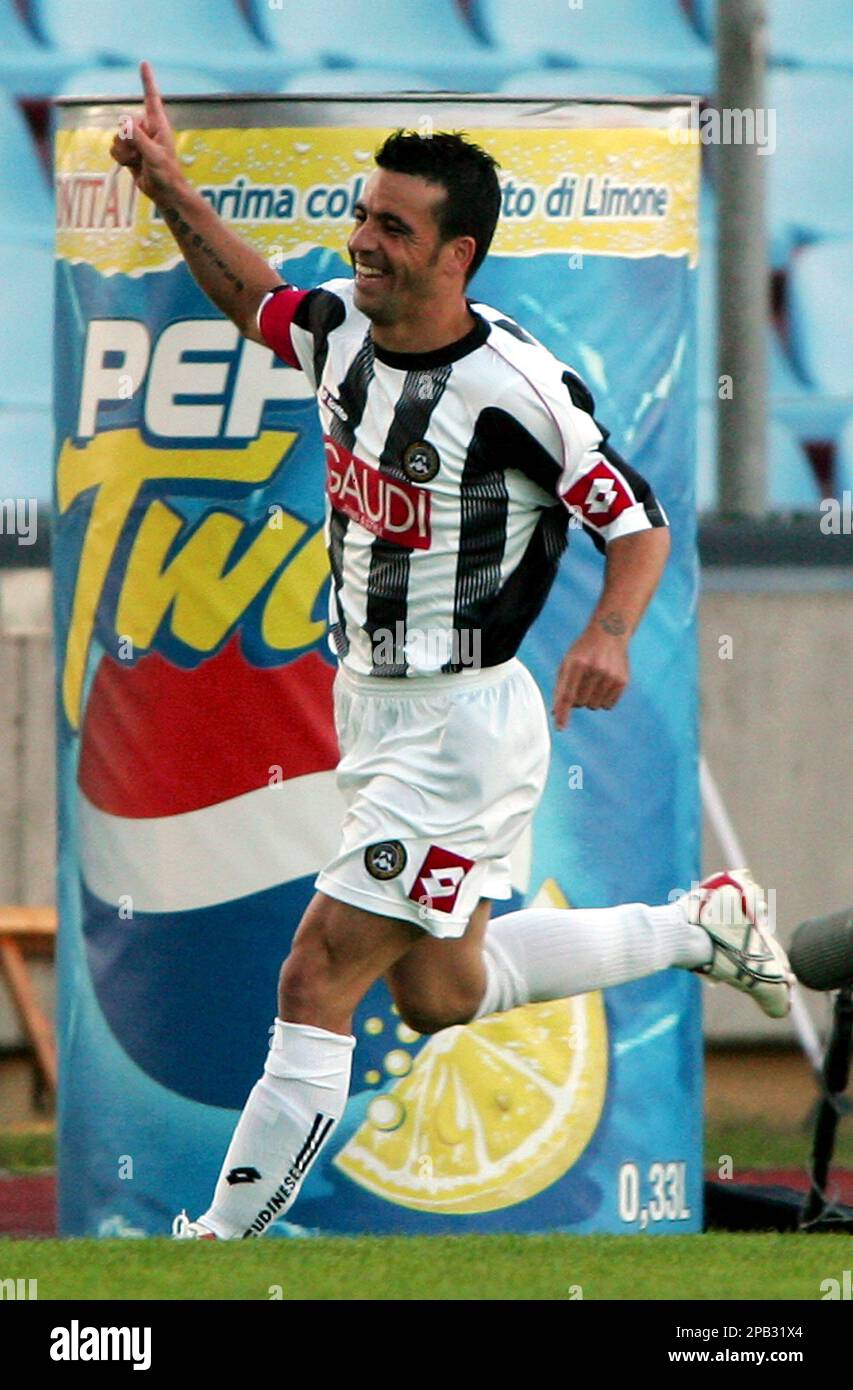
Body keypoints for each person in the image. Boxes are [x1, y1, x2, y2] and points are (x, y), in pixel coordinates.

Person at [111, 62, 793, 1240]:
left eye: (393, 226)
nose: (362, 241)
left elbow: (635, 522)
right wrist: (168, 186)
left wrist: (608, 635)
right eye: (363, 215)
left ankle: (218, 1244)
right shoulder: (340, 330)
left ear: (456, 253)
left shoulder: (514, 389)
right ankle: (701, 925)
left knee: (316, 972)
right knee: (439, 991)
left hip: (458, 726)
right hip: (371, 710)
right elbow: (255, 297)